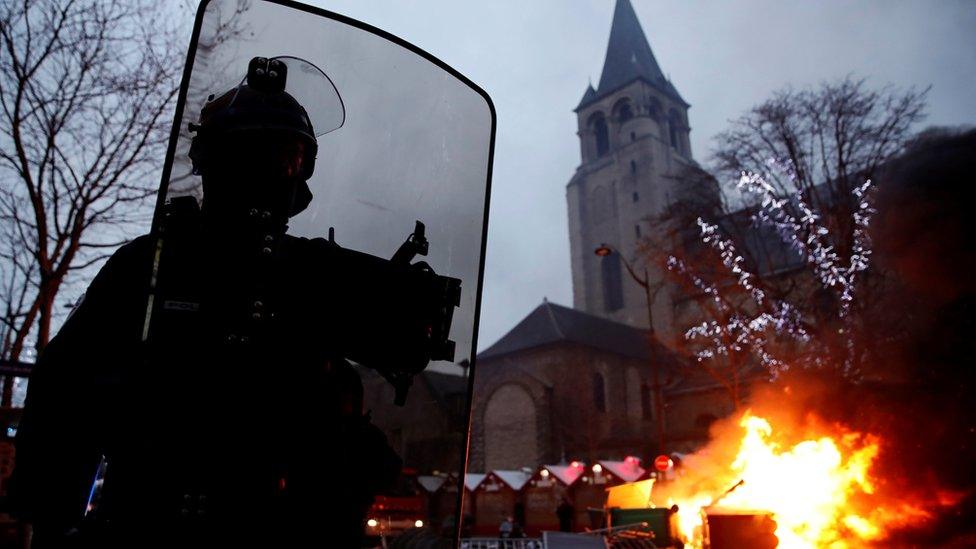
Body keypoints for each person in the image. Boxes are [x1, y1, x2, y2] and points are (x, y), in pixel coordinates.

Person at [8, 57, 402, 549]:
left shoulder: (311, 278)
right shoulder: (148, 267)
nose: (272, 172)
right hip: (146, 529)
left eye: (288, 158)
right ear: (216, 162)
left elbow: (360, 407)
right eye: (253, 154)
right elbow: (61, 395)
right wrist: (52, 521)